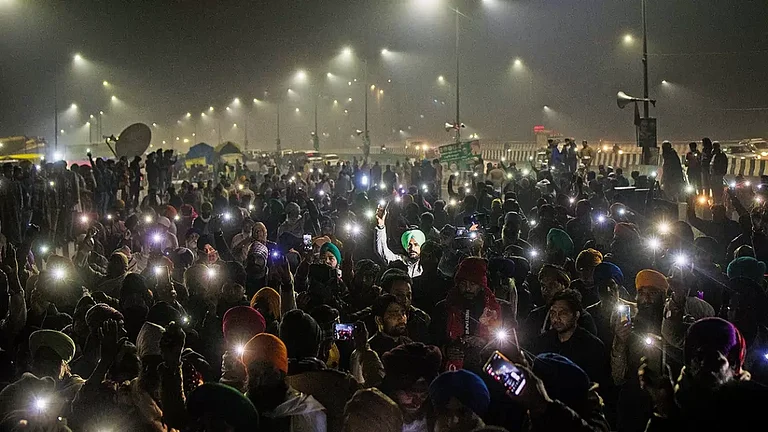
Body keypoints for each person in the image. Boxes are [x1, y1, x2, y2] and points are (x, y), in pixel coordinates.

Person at [242, 333, 327, 432]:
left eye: (267, 370)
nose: (259, 379)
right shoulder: (241, 408)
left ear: (281, 373)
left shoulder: (305, 414)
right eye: (253, 371)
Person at [532, 289, 612, 390]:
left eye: (562, 313)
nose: (556, 319)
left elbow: (599, 384)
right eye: (553, 313)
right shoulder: (543, 342)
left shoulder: (592, 346)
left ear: (576, 315)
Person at [380, 343, 442, 432]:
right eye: (410, 394)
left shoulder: (437, 420)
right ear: (393, 389)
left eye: (423, 395)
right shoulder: (374, 419)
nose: (417, 403)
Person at [374, 206, 424, 277]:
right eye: (409, 245)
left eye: (416, 244)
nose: (412, 248)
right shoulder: (400, 261)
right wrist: (381, 226)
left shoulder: (425, 265)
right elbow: (383, 252)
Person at [367, 294, 412, 358]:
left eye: (403, 313)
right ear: (379, 320)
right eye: (394, 314)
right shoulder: (370, 350)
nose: (401, 317)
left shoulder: (409, 345)